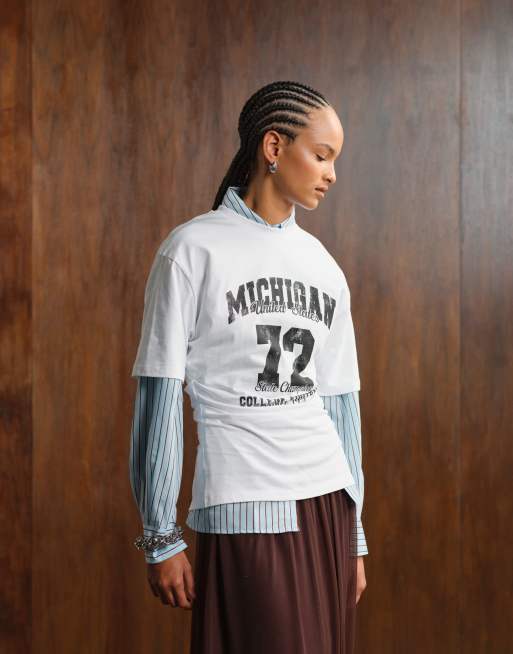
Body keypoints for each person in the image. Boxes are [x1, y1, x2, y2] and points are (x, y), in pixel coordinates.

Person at [129, 80, 368, 653]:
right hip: (244, 501)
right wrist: (161, 535)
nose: (332, 174)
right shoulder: (191, 250)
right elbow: (159, 396)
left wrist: (354, 535)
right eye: (322, 155)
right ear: (274, 147)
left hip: (327, 504)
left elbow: (340, 405)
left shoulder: (323, 266)